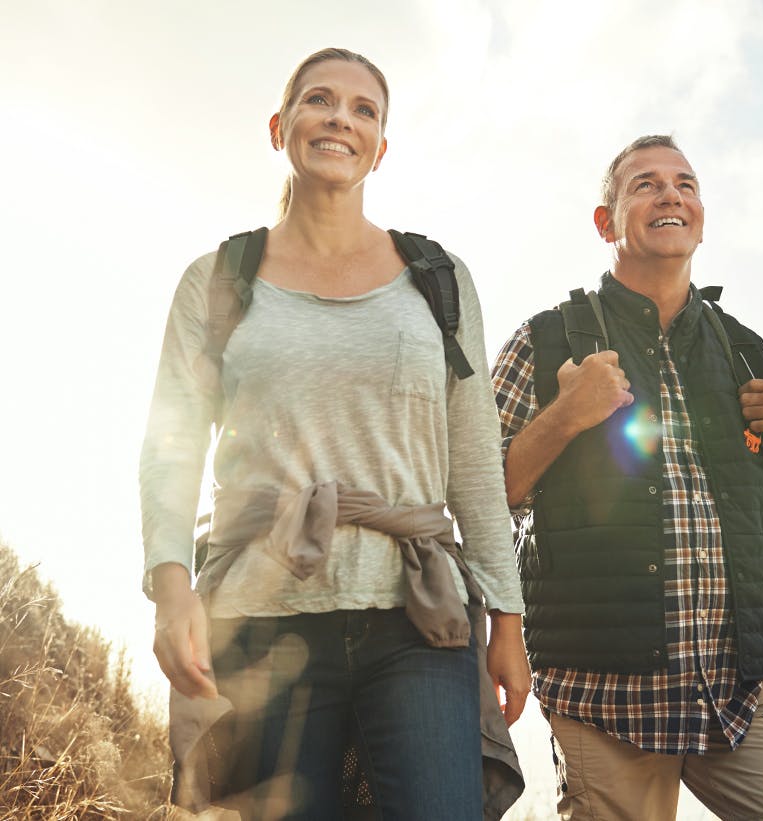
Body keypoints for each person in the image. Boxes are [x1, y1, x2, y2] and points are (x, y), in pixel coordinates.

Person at [140, 47, 530, 820]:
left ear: (380, 148)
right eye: (320, 101)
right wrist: (169, 586)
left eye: (364, 110)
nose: (340, 119)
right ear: (281, 126)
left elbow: (475, 458)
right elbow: (170, 445)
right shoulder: (218, 279)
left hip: (419, 615)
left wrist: (509, 620)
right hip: (260, 615)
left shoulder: (438, 279)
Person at [491, 135, 763, 820]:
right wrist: (565, 415)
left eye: (685, 183)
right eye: (645, 184)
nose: (671, 194)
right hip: (603, 694)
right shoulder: (547, 338)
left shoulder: (742, 346)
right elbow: (479, 495)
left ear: (700, 213)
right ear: (606, 221)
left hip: (744, 684)